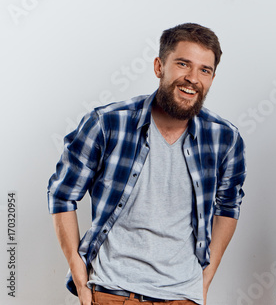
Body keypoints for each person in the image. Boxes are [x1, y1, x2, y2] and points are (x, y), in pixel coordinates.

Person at [47, 23, 246, 305]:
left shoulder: (225, 138)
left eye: (205, 70)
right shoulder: (108, 123)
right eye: (183, 64)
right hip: (111, 292)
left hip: (182, 296)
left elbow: (228, 206)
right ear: (159, 66)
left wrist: (206, 278)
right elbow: (62, 193)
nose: (193, 78)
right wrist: (80, 277)